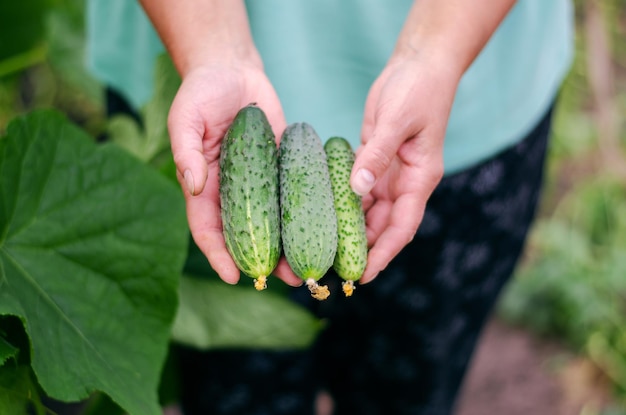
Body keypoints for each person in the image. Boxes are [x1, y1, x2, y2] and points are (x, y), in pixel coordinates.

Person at [86, 1, 574, 414]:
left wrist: (436, 53)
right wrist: (214, 51)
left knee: (409, 391)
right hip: (194, 61)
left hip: (458, 98)